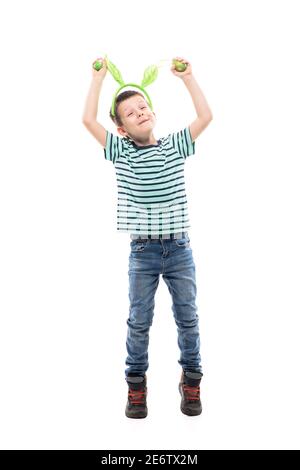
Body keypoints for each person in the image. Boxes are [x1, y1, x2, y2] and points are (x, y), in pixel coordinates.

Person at [82, 56, 213, 419]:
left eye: (143, 106)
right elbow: (88, 121)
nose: (139, 112)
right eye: (130, 112)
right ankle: (136, 385)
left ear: (152, 110)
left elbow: (205, 118)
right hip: (142, 252)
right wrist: (98, 80)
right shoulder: (120, 152)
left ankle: (192, 379)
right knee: (139, 319)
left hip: (179, 248)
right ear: (121, 129)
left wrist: (189, 78)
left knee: (188, 316)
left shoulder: (174, 145)